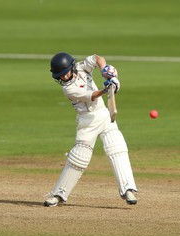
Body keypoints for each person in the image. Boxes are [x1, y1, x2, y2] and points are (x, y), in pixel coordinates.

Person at [44, 52, 137, 207]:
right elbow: (93, 95)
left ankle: (128, 189)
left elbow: (97, 58)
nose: (64, 78)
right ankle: (58, 194)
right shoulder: (69, 89)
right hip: (87, 121)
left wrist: (105, 69)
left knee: (117, 148)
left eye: (65, 73)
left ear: (72, 67)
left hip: (104, 114)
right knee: (78, 159)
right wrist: (106, 88)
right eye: (60, 76)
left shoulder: (81, 68)